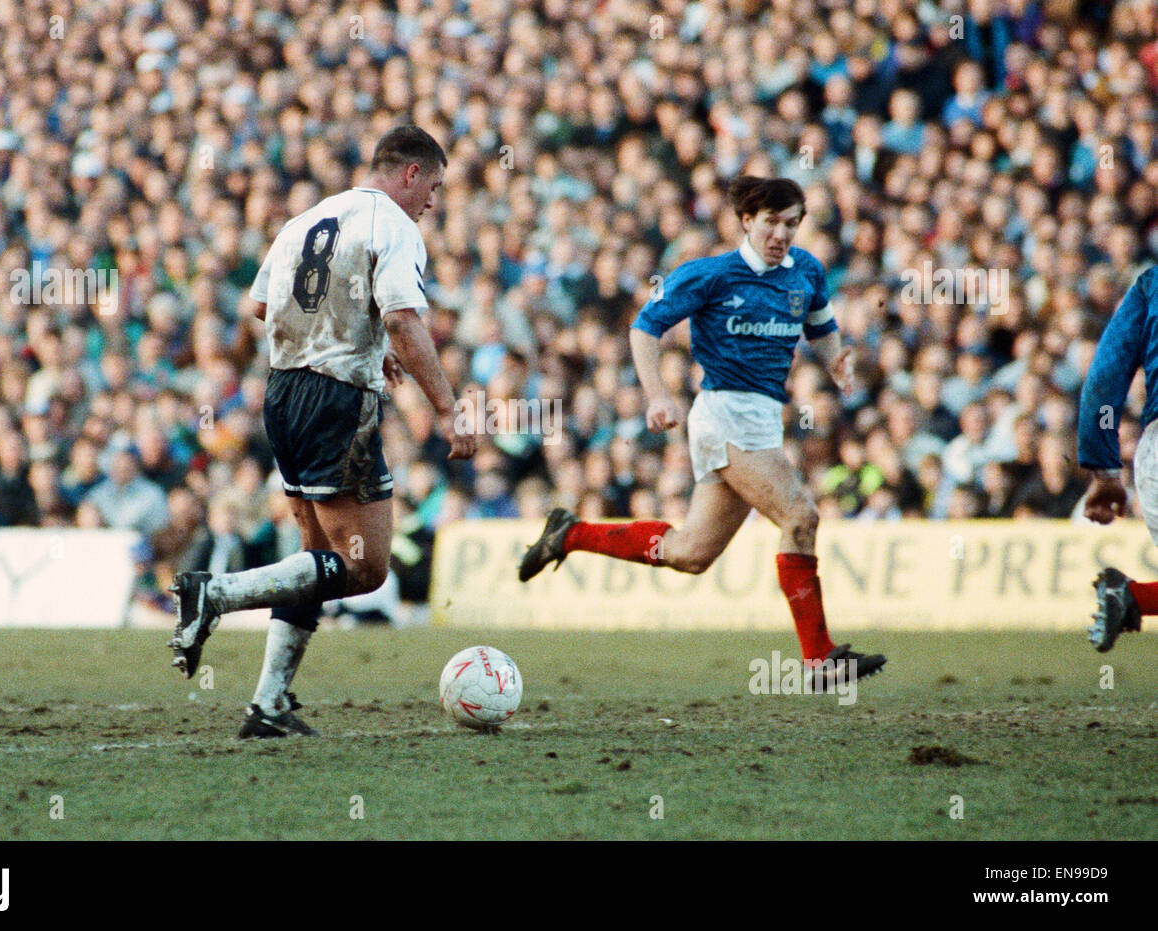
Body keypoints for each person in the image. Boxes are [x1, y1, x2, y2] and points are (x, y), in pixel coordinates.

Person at [167, 125, 476, 737]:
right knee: (365, 567)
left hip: (284, 393)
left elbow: (260, 306)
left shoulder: (305, 220)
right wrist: (446, 406)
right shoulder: (393, 225)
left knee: (315, 557)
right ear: (409, 174)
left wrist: (357, 339)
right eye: (434, 186)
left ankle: (269, 704)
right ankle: (215, 593)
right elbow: (405, 319)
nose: (434, 202)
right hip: (337, 400)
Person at [518, 176, 886, 684]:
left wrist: (835, 361)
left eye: (791, 224)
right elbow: (644, 327)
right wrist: (657, 395)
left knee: (690, 554)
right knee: (800, 516)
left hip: (763, 421)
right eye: (771, 222)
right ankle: (819, 660)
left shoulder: (807, 273)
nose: (781, 234)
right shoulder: (710, 275)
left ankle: (570, 533)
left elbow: (822, 327)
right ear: (747, 221)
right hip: (722, 417)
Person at [1078, 267, 1158, 651]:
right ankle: (1128, 597)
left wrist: (1105, 468)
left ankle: (1128, 598)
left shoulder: (1150, 285)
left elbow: (1105, 377)